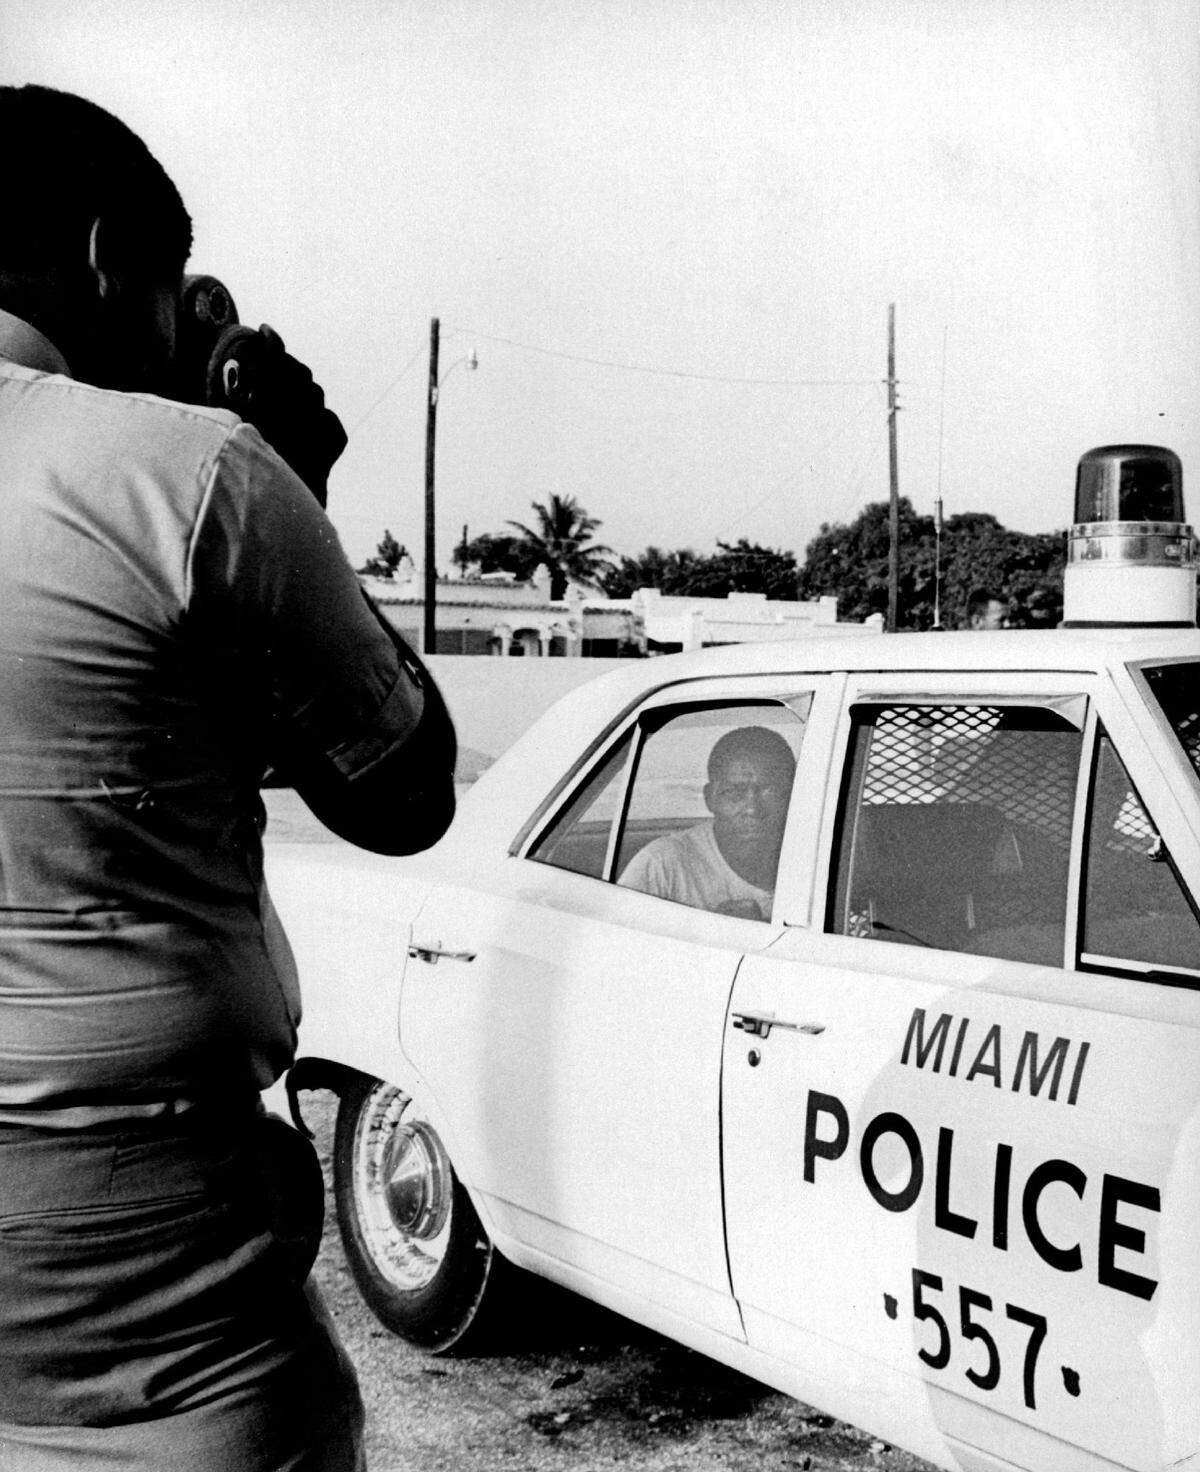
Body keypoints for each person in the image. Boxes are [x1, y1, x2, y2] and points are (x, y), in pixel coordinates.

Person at [0, 86, 457, 1471]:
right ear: (99, 258)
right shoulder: (190, 474)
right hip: (145, 1265)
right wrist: (287, 490)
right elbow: (401, 791)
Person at [619, 726, 796, 920]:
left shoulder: (822, 858)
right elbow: (613, 944)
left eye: (769, 791)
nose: (752, 809)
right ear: (710, 798)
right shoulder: (662, 865)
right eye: (734, 793)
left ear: (793, 795)